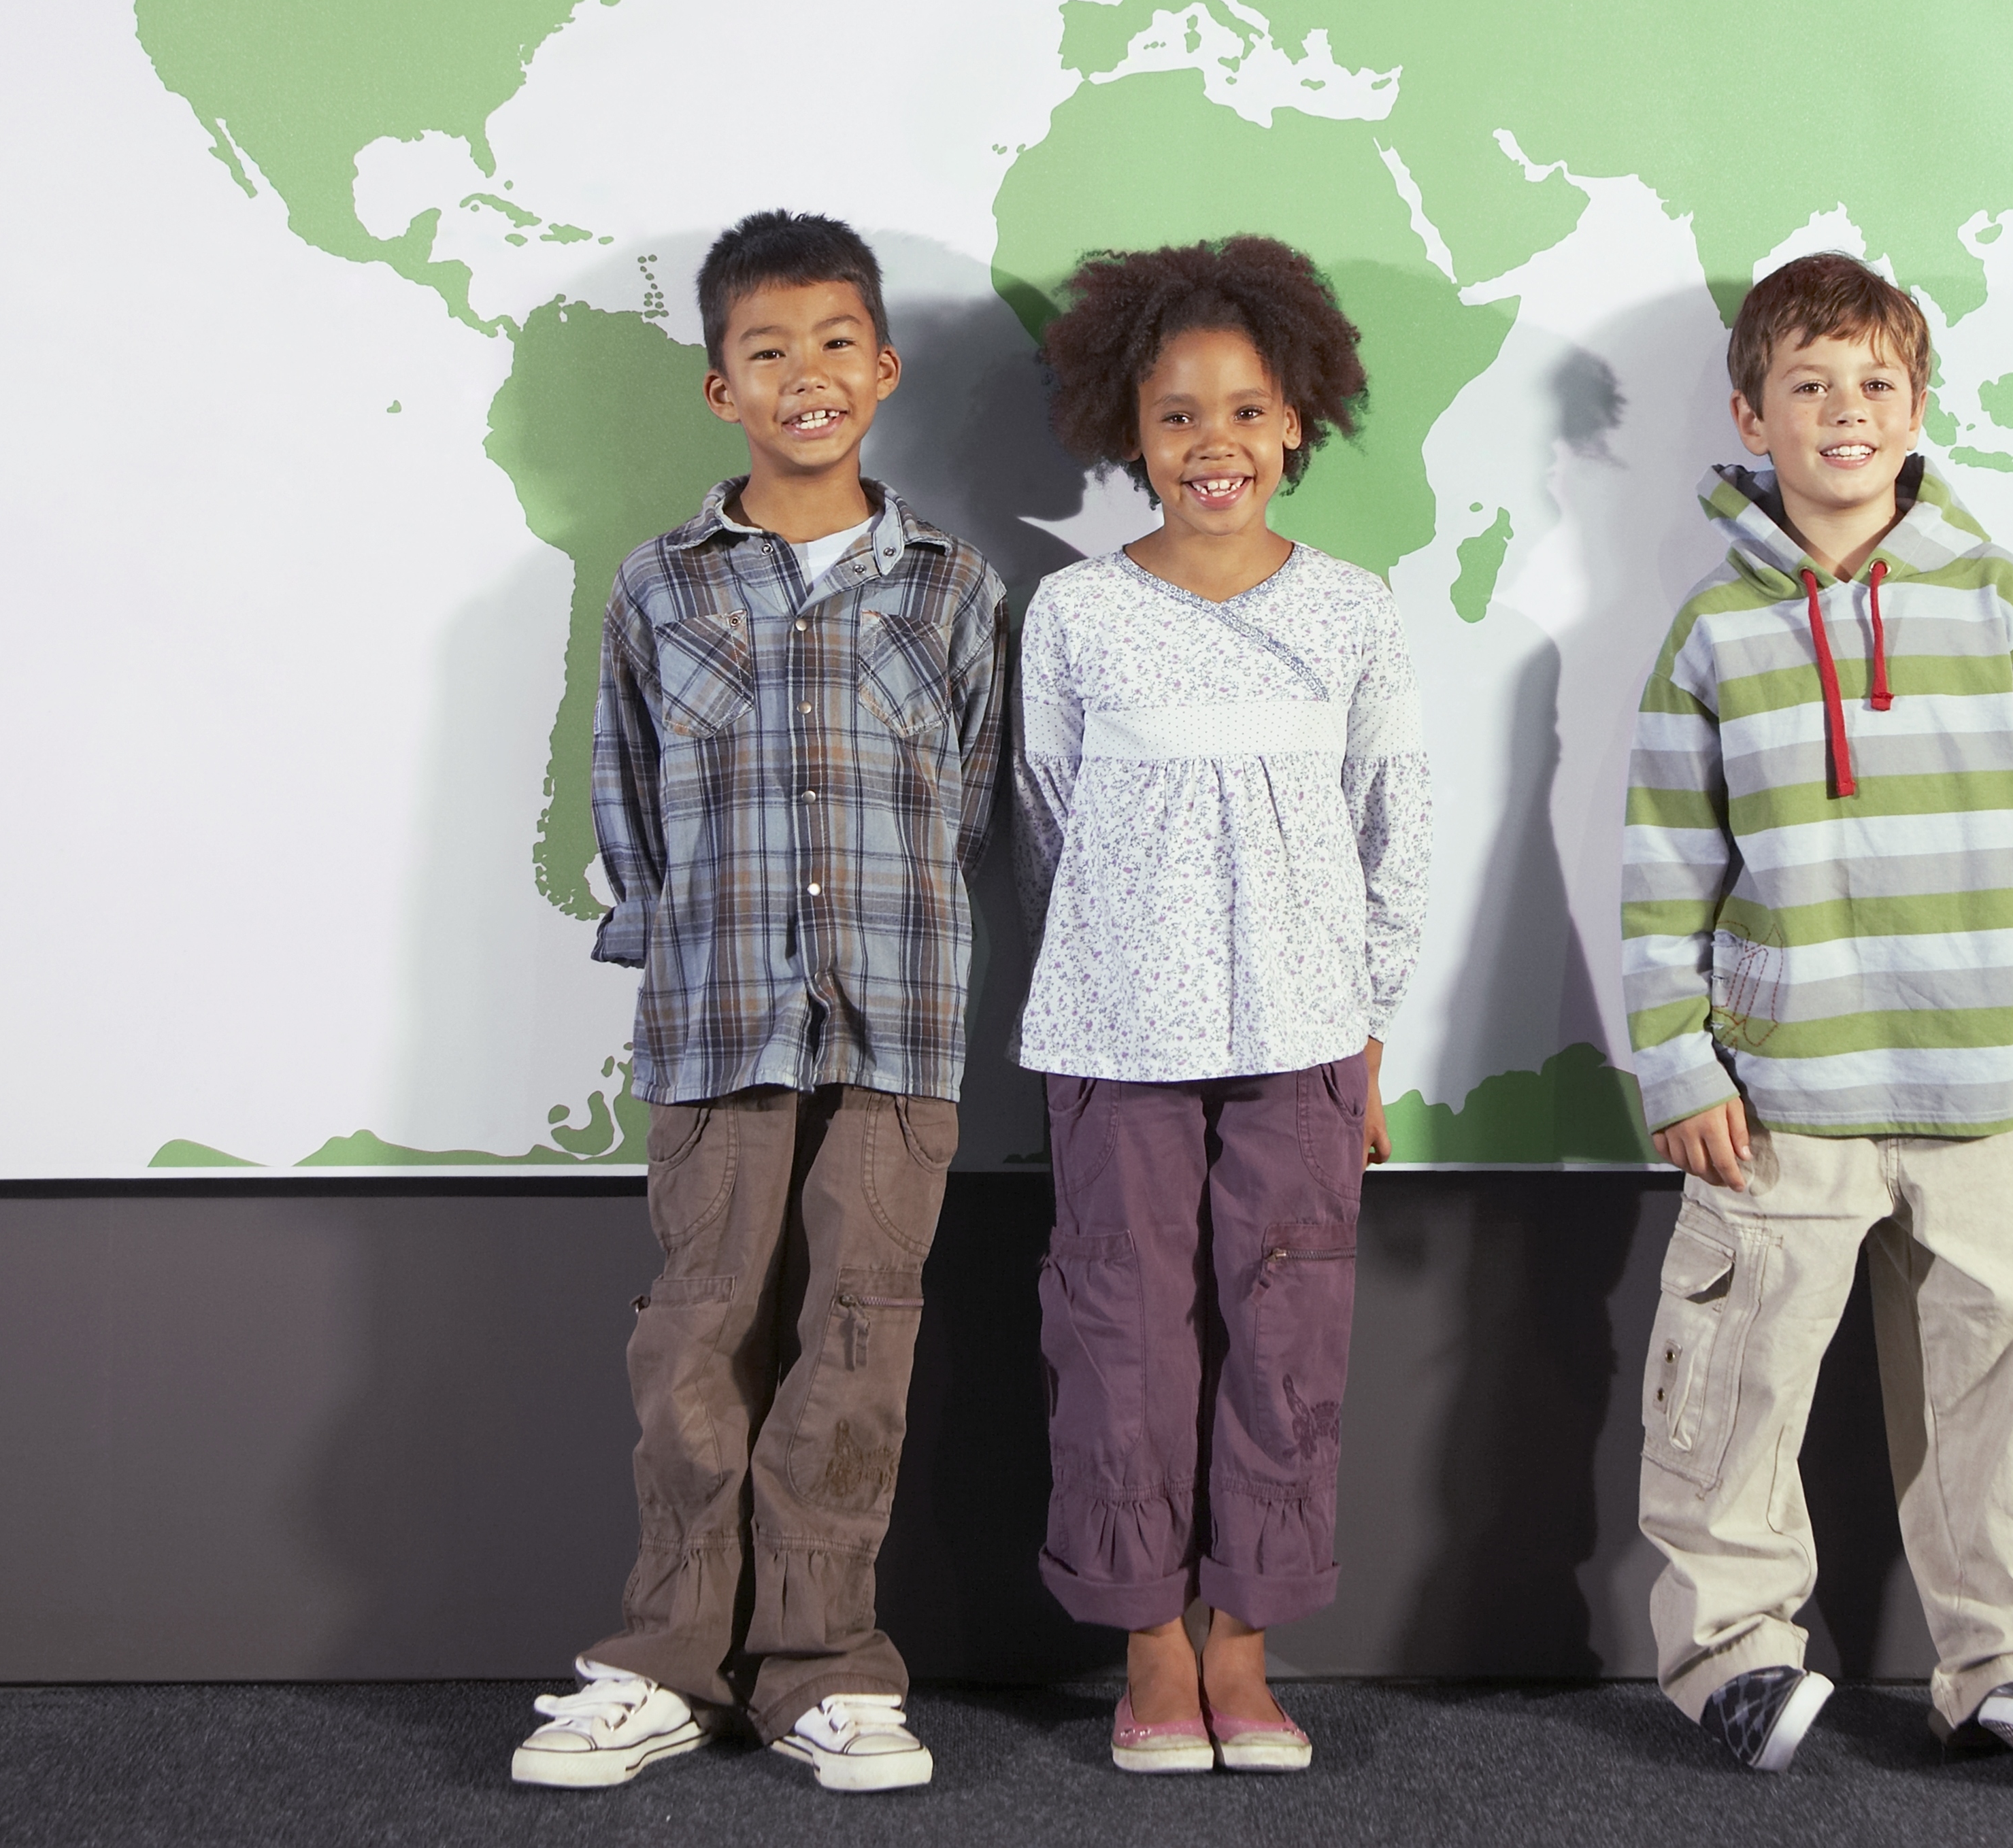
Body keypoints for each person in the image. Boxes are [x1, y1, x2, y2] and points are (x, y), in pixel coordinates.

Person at [509, 212, 1007, 1797]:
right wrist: (672, 957)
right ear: (722, 387)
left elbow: (976, 799)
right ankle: (667, 1661)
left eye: (835, 344)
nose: (807, 376)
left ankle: (825, 1669)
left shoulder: (951, 590)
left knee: (860, 1335)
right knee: (697, 1333)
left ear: (886, 367)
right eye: (768, 352)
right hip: (717, 1021)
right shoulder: (663, 585)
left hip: (899, 1023)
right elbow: (627, 799)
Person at [1621, 250, 2013, 1787]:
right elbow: (1661, 868)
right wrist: (1680, 1059)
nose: (1844, 412)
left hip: (1975, 1092)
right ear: (1751, 413)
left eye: (1875, 385)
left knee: (2001, 1388)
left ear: (1918, 410)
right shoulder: (1712, 635)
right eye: (1809, 386)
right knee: (1738, 1388)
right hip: (1779, 1095)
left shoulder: (2004, 603)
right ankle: (1732, 1655)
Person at [1012, 236, 1429, 1778]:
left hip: (1309, 1041)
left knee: (1289, 1338)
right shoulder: (1073, 617)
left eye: (1247, 412)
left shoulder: (1354, 613)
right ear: (1130, 431)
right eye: (1179, 416)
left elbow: (1395, 821)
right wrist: (1131, 948)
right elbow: (1047, 818)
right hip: (1115, 1037)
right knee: (1121, 1331)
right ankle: (1149, 1648)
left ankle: (1247, 1648)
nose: (1215, 445)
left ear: (1299, 422)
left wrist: (1368, 1029)